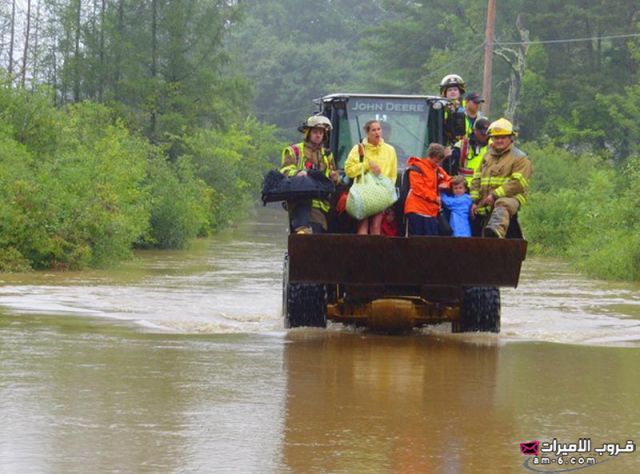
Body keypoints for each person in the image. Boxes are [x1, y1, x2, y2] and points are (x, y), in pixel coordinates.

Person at [470, 118, 533, 238]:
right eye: (496, 137)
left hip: (510, 198)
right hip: (486, 203)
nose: (499, 140)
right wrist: (474, 201)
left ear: (511, 138)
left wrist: (495, 195)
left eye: (503, 137)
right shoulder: (487, 156)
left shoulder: (520, 158)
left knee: (502, 204)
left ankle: (496, 231)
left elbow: (518, 184)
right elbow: (477, 178)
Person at [280, 115, 340, 234]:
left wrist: (335, 177)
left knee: (316, 233)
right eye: (315, 132)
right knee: (304, 233)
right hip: (299, 200)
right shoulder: (294, 150)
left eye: (321, 133)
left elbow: (333, 177)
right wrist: (298, 173)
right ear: (308, 133)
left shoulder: (327, 155)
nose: (318, 135)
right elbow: (284, 171)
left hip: (319, 203)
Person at [345, 120, 398, 235]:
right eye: (373, 130)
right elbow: (349, 170)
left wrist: (388, 192)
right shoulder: (358, 149)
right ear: (367, 132)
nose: (377, 132)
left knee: (376, 224)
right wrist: (366, 165)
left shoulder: (390, 150)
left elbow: (393, 175)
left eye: (379, 129)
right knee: (362, 224)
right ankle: (362, 251)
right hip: (363, 193)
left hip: (381, 193)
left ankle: (375, 251)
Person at [404, 143, 451, 236]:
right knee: (416, 242)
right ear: (432, 156)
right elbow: (418, 189)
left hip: (431, 211)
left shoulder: (437, 169)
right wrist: (435, 198)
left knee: (430, 243)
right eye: (437, 160)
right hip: (416, 210)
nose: (438, 163)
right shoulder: (417, 167)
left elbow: (448, 179)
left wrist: (445, 184)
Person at [447, 117, 490, 185]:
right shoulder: (461, 145)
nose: (485, 136)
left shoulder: (493, 147)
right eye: (483, 134)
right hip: (464, 189)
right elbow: (451, 168)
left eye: (487, 133)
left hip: (483, 188)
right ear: (475, 130)